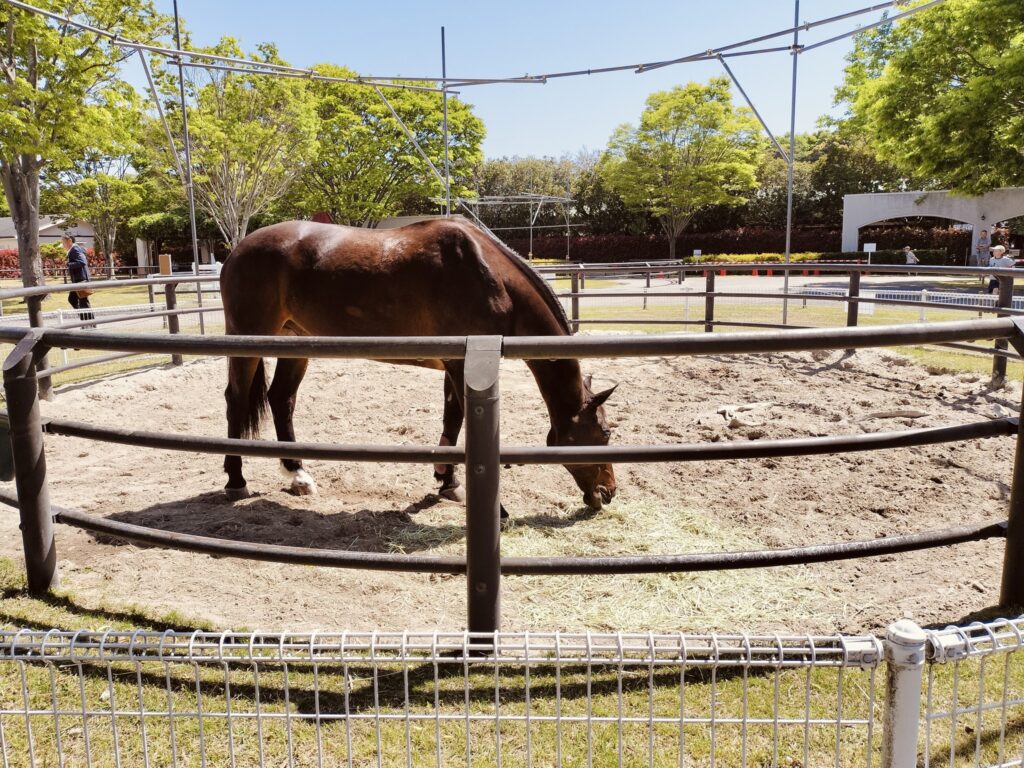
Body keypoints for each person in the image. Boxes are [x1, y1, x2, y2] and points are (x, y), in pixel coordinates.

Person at [61, 234, 94, 324]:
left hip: (81, 280)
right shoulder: (73, 250)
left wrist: (68, 264)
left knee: (83, 302)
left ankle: (89, 323)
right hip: (77, 280)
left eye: (63, 242)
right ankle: (87, 322)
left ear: (70, 241)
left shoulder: (75, 249)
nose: (63, 245)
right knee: (73, 299)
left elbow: (82, 262)